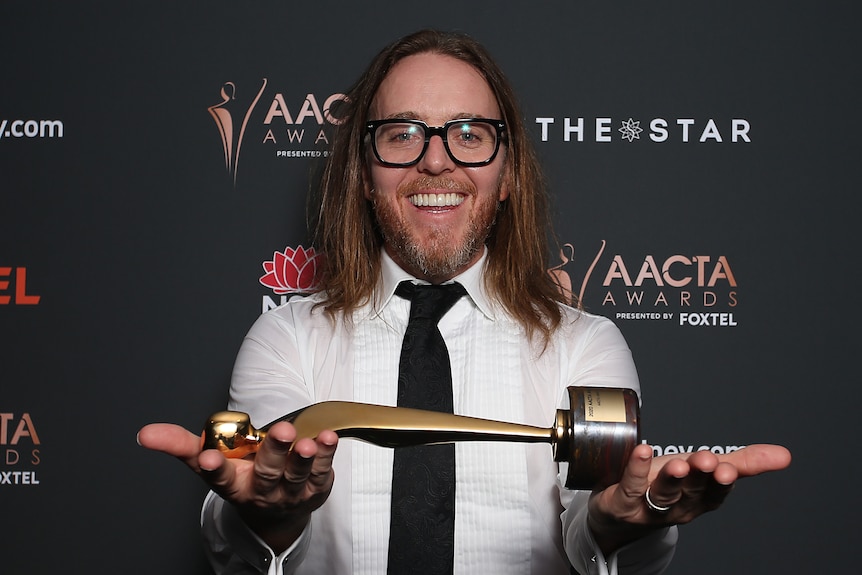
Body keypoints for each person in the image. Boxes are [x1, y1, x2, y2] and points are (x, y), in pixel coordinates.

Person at [138, 29, 791, 575]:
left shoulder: (584, 345)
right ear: (365, 173)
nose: (436, 162)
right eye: (402, 133)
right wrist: (270, 511)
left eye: (469, 133)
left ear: (506, 173)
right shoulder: (286, 339)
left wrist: (620, 520)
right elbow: (248, 547)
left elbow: (589, 528)